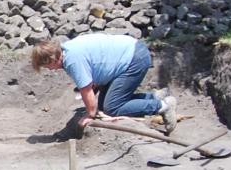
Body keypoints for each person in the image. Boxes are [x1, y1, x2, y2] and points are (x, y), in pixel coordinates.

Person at [30, 34, 174, 130]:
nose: (49, 70)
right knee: (106, 104)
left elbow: (86, 89)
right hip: (131, 51)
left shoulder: (72, 60)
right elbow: (94, 79)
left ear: (52, 59)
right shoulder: (68, 49)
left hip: (133, 60)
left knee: (112, 108)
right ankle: (154, 97)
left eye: (46, 66)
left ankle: (163, 106)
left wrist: (90, 115)